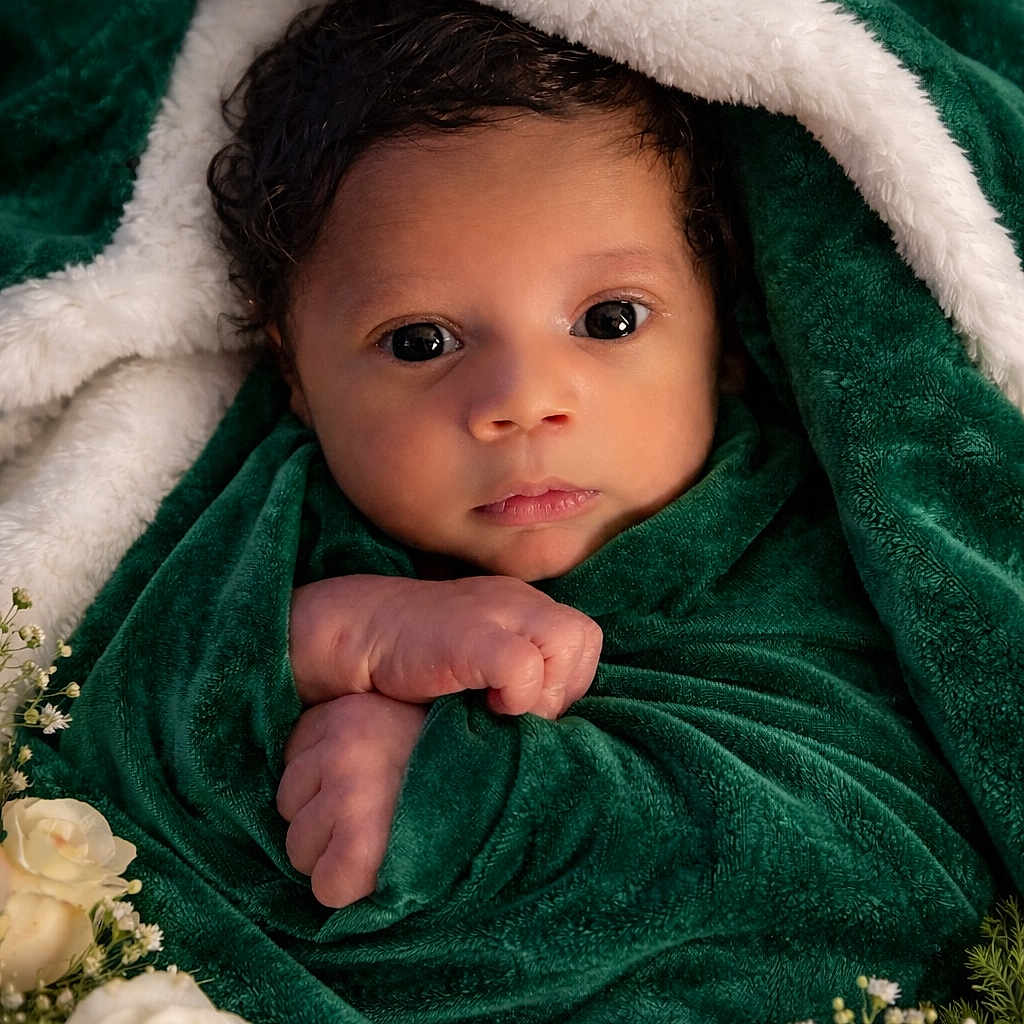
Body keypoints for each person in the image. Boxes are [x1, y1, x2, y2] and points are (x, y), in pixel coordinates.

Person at [209, 0, 751, 909]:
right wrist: (336, 639)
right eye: (422, 342)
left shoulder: (804, 541)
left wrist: (461, 787)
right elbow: (115, 698)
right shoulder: (266, 518)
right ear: (293, 370)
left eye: (609, 320)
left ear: (725, 337)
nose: (523, 402)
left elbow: (853, 833)